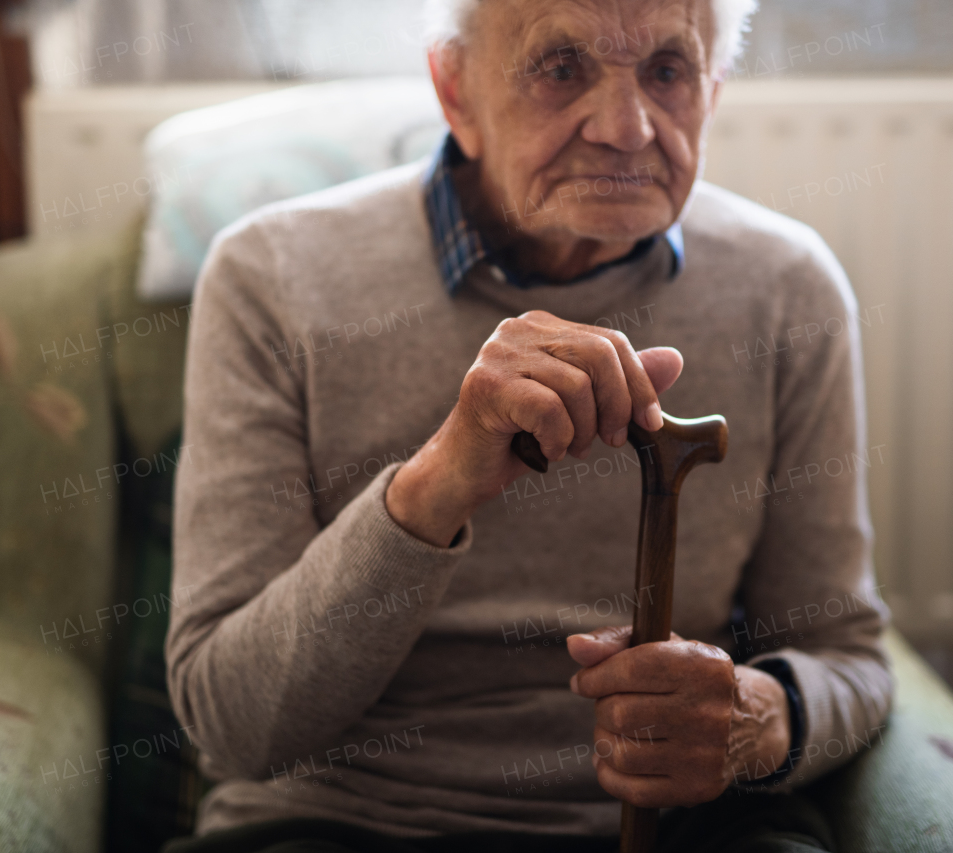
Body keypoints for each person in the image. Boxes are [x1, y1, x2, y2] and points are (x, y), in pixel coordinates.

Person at [165, 0, 892, 850]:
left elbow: (847, 654)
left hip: (686, 829)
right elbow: (231, 722)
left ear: (714, 90)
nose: (628, 129)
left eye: (667, 70)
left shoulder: (789, 288)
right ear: (455, 92)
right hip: (342, 820)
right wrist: (439, 478)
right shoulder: (270, 278)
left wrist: (761, 719)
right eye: (561, 67)